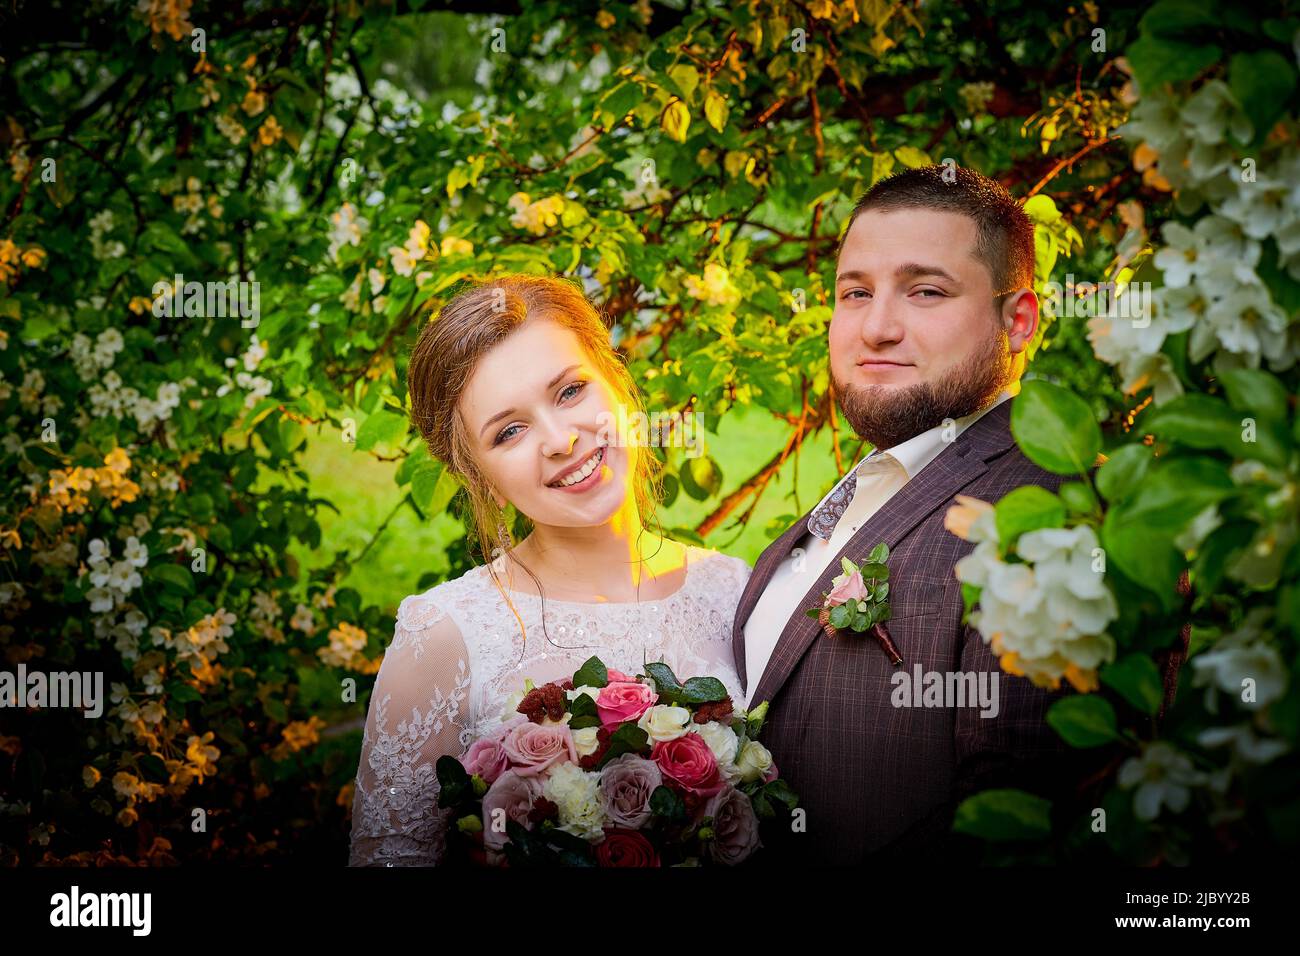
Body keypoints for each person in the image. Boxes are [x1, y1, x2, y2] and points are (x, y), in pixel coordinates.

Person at [734, 165, 1077, 864]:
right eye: (855, 292)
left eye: (925, 291)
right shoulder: (867, 486)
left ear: (1018, 321)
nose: (877, 327)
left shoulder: (1047, 517)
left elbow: (1017, 831)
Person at [347, 274, 750, 866]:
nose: (561, 440)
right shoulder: (444, 635)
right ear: (477, 474)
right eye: (509, 431)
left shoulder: (738, 592)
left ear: (616, 378)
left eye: (569, 391)